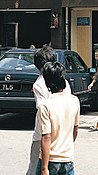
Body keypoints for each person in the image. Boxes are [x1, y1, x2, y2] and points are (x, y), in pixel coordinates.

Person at [26, 46, 71, 175]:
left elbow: (42, 113)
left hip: (43, 134)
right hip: (62, 133)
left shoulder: (39, 84)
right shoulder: (64, 83)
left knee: (36, 168)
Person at [36, 62, 80, 175]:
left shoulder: (45, 105)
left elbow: (46, 137)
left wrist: (44, 168)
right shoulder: (74, 101)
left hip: (50, 160)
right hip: (68, 159)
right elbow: (75, 131)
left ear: (47, 82)